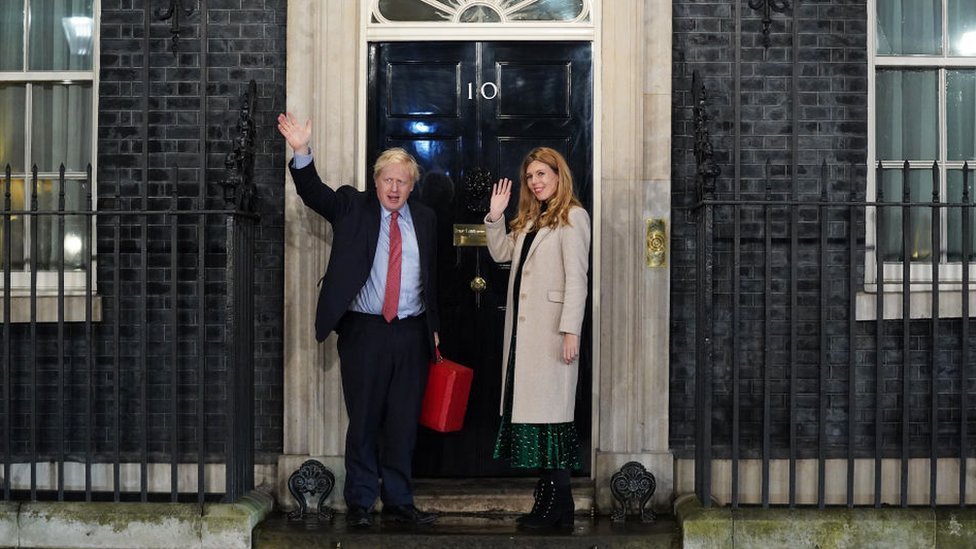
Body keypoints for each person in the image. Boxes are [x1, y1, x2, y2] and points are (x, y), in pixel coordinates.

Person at [277, 112, 440, 528]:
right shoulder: (352, 207)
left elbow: (435, 279)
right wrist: (301, 151)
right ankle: (362, 504)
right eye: (388, 179)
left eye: (403, 181)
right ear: (376, 179)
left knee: (403, 423)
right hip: (364, 331)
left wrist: (433, 329)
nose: (394, 187)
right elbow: (314, 194)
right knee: (364, 420)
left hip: (410, 333)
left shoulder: (426, 219)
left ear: (412, 185)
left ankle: (401, 500)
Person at [484, 147, 591, 529]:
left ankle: (555, 506)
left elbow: (578, 281)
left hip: (551, 337)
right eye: (531, 177)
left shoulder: (573, 218)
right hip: (523, 339)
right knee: (538, 425)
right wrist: (495, 216)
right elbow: (501, 256)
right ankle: (548, 504)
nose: (536, 182)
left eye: (543, 174)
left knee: (553, 425)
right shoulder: (531, 220)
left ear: (559, 176)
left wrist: (570, 331)